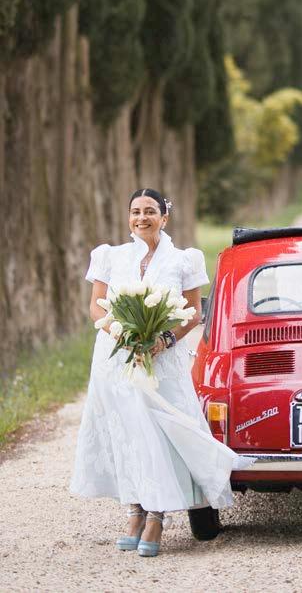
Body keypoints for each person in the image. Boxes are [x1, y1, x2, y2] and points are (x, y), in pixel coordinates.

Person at [70, 188, 234, 557]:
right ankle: (135, 511)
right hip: (116, 358)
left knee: (160, 433)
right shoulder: (110, 256)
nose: (141, 218)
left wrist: (164, 339)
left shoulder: (183, 260)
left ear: (164, 217)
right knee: (129, 434)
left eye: (149, 211)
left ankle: (157, 515)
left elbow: (193, 311)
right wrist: (121, 332)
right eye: (135, 211)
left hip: (163, 359)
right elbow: (96, 308)